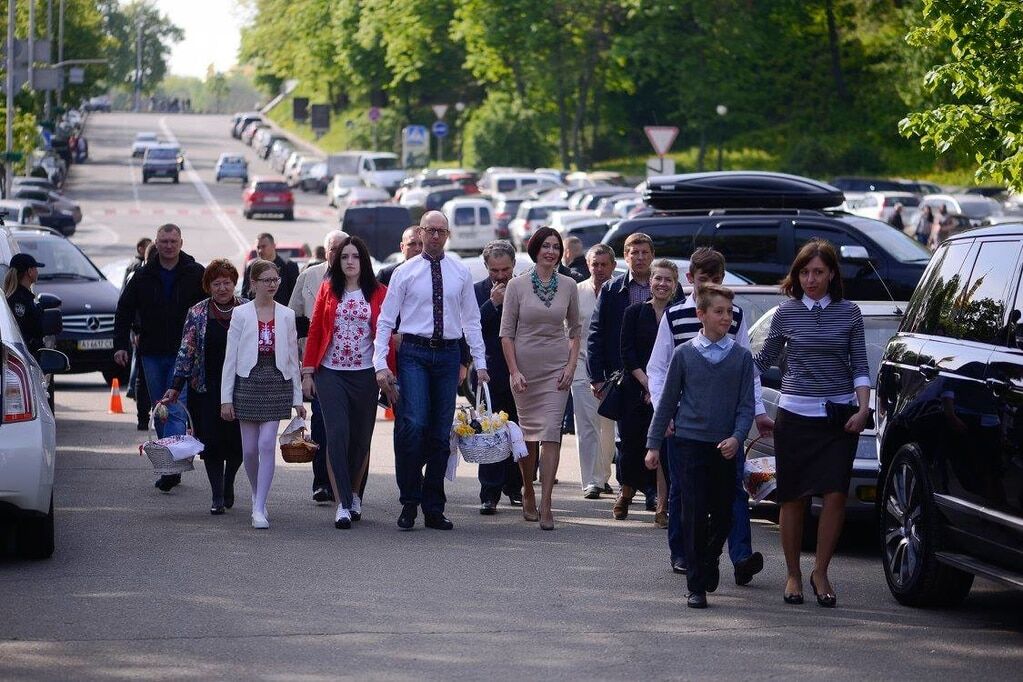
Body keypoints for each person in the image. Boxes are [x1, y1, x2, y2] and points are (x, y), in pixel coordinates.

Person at [753, 239, 870, 608]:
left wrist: (863, 410)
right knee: (793, 497)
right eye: (804, 272)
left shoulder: (850, 312)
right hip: (795, 417)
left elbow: (860, 367)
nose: (811, 279)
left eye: (818, 272)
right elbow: (761, 362)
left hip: (838, 418)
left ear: (832, 273)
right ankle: (793, 574)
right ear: (796, 275)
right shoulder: (785, 313)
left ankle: (821, 571)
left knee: (835, 494)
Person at [647, 248, 769, 584]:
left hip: (726, 422)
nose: (711, 286)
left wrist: (757, 413)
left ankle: (740, 556)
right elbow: (659, 370)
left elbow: (749, 372)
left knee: (733, 491)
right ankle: (684, 554)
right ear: (691, 281)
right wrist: (663, 413)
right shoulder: (675, 317)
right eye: (704, 281)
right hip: (685, 423)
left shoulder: (734, 316)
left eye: (717, 280)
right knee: (684, 495)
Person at [373, 210, 489, 532]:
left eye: (441, 231)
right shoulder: (404, 272)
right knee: (412, 426)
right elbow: (385, 320)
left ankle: (434, 507)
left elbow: (471, 320)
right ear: (421, 233)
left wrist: (480, 362)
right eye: (430, 230)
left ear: (448, 235)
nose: (435, 236)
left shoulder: (460, 272)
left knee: (440, 434)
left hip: (448, 355)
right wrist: (379, 363)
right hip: (414, 354)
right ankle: (409, 501)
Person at [302, 236, 387, 529]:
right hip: (331, 373)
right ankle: (342, 505)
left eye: (355, 257)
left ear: (363, 261)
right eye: (344, 257)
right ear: (337, 263)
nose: (350, 262)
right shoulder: (328, 289)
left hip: (365, 373)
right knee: (337, 434)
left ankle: (354, 494)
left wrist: (387, 371)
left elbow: (386, 335)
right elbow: (314, 331)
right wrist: (308, 372)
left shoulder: (379, 292)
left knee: (361, 439)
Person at [113, 224, 205, 492]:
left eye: (173, 241)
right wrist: (120, 345)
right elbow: (124, 311)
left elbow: (209, 308)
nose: (168, 246)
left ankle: (170, 467)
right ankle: (170, 461)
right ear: (156, 243)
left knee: (175, 407)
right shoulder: (142, 276)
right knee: (161, 409)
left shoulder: (194, 273)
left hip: (184, 354)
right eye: (163, 241)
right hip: (152, 353)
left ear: (181, 242)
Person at [500, 226, 581, 530]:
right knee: (529, 437)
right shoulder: (517, 286)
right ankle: (528, 491)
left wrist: (571, 367)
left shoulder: (569, 285)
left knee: (550, 434)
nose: (551, 251)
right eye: (546, 246)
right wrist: (514, 371)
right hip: (524, 370)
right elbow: (506, 334)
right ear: (535, 249)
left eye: (555, 246)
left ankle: (547, 502)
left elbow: (575, 331)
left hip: (556, 370)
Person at [588, 232, 676, 510]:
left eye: (644, 253)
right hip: (626, 377)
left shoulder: (672, 295)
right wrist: (597, 377)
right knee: (629, 441)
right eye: (633, 253)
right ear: (625, 257)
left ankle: (653, 493)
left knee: (660, 438)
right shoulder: (613, 290)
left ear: (651, 255)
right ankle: (626, 490)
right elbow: (597, 334)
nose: (639, 257)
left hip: (665, 380)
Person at [221, 259, 306, 530]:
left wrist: (297, 399)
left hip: (276, 380)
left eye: (275, 280)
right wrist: (226, 398)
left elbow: (293, 358)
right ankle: (257, 494)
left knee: (267, 443)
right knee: (249, 449)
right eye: (266, 280)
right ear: (253, 283)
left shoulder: (286, 315)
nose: (272, 284)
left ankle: (259, 506)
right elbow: (230, 359)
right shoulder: (241, 314)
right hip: (247, 382)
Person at [163, 260, 246, 515]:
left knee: (239, 443)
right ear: (208, 286)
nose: (222, 288)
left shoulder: (246, 309)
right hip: (206, 387)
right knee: (211, 442)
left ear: (234, 284)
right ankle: (217, 495)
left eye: (227, 283)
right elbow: (186, 350)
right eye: (216, 283)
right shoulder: (197, 312)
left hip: (241, 387)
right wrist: (176, 386)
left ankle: (229, 480)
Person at [617, 259, 679, 527]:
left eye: (668, 280)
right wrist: (647, 384)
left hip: (668, 392)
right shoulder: (633, 312)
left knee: (664, 451)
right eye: (658, 279)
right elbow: (627, 352)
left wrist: (658, 390)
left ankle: (661, 507)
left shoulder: (679, 315)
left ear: (675, 285)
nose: (662, 284)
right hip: (635, 389)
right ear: (650, 282)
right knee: (631, 446)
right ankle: (626, 492)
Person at [289, 230, 348, 504]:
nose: (338, 254)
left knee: (349, 427)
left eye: (343, 248)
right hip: (319, 363)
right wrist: (302, 365)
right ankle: (322, 482)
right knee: (323, 423)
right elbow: (294, 319)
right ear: (326, 253)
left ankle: (347, 483)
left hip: (351, 363)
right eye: (333, 249)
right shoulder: (310, 276)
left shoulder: (357, 278)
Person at [473, 240, 524, 514]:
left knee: (519, 432)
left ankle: (515, 488)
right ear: (487, 268)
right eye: (495, 270)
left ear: (514, 266)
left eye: (505, 270)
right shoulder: (477, 291)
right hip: (489, 374)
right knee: (491, 435)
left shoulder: (524, 287)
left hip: (522, 371)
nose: (501, 276)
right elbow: (471, 329)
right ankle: (489, 494)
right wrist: (492, 304)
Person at [573, 244, 617, 499]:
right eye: (594, 264)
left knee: (607, 427)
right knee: (586, 425)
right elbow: (569, 331)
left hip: (612, 371)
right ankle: (591, 480)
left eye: (604, 264)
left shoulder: (618, 291)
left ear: (612, 265)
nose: (599, 269)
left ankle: (602, 476)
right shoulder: (577, 292)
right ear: (588, 266)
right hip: (581, 366)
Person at [241, 233, 300, 304]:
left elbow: (295, 294)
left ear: (273, 246)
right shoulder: (252, 266)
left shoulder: (289, 266)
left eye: (263, 246)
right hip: (256, 312)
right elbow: (244, 294)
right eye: (258, 247)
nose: (260, 250)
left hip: (282, 311)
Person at [5, 253, 45, 355]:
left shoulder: (23, 297)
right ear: (29, 272)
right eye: (35, 268)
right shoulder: (20, 300)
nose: (37, 271)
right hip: (26, 356)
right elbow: (25, 331)